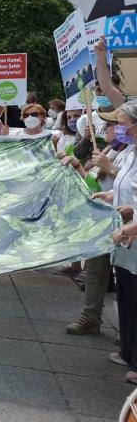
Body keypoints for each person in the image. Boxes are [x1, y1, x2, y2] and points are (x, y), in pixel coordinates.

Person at [63, 108, 129, 333]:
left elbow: (128, 185)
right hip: (100, 219)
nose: (108, 129)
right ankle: (90, 316)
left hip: (125, 223)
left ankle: (127, 330)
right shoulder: (110, 149)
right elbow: (93, 183)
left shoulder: (130, 153)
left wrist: (110, 169)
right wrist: (78, 167)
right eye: (111, 124)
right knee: (96, 271)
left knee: (125, 277)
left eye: (114, 124)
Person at [88, 105, 137, 383]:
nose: (119, 129)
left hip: (132, 237)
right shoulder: (130, 152)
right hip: (127, 242)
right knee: (127, 299)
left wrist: (127, 228)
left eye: (122, 124)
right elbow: (125, 189)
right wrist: (110, 198)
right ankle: (129, 351)